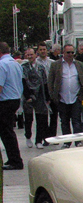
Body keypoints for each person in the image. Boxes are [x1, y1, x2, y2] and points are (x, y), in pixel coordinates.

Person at [48, 44, 83, 148]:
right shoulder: (56, 65)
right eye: (68, 52)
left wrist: (82, 95)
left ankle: (77, 141)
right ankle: (67, 141)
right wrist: (53, 96)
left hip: (76, 98)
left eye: (72, 52)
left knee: (77, 121)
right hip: (62, 98)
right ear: (63, 53)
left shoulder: (79, 64)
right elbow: (50, 81)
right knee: (64, 121)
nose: (70, 54)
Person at [0, 42, 24, 170]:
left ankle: (15, 160)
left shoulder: (2, 64)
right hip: (14, 99)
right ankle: (13, 159)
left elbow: (0, 86)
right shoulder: (15, 64)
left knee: (6, 132)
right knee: (8, 131)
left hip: (5, 101)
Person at [21, 47, 50, 149]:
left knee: (41, 118)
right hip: (28, 95)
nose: (30, 57)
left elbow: (45, 82)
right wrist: (28, 95)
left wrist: (47, 96)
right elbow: (23, 82)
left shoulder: (41, 67)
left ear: (35, 55)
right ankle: (28, 136)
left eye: (31, 54)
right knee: (28, 118)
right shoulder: (23, 67)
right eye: (28, 55)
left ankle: (39, 140)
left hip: (40, 95)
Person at [36, 42, 56, 144]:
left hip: (51, 90)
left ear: (47, 50)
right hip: (41, 93)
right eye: (41, 49)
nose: (43, 51)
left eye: (44, 49)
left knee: (54, 116)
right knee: (43, 117)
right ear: (38, 51)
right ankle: (44, 137)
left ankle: (52, 137)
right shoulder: (36, 63)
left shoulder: (52, 62)